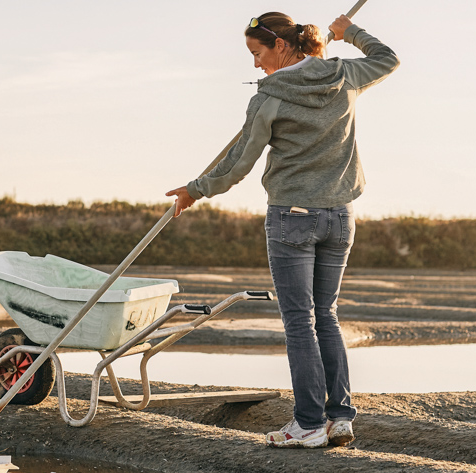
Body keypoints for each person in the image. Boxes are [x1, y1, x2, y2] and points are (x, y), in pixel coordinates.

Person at [166, 12, 399, 448]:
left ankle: (309, 424)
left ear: (279, 45)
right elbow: (387, 59)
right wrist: (352, 34)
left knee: (300, 322)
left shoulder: (269, 97)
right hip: (341, 217)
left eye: (257, 53)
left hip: (292, 216)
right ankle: (339, 418)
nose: (255, 65)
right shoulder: (342, 74)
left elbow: (239, 162)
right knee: (325, 315)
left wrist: (195, 190)